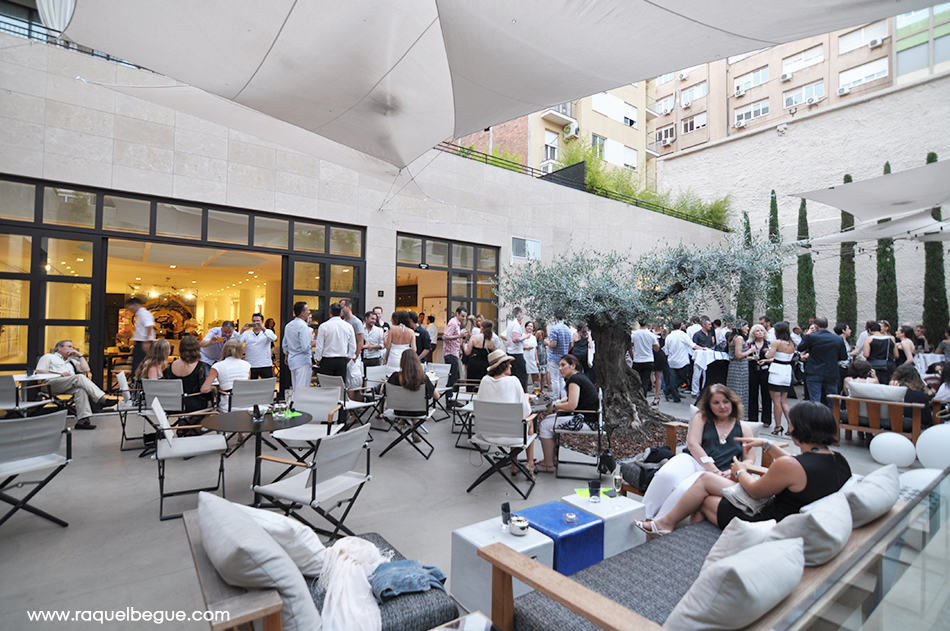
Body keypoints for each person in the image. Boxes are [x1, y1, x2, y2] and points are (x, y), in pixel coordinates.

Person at [635, 402, 852, 535]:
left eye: (791, 422)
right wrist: (767, 445)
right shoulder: (837, 460)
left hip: (764, 520)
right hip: (793, 517)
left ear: (799, 428)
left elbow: (755, 490)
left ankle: (678, 534)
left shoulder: (790, 466)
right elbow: (798, 465)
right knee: (706, 481)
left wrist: (740, 470)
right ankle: (666, 524)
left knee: (703, 499)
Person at [642, 384, 755, 520]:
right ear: (709, 405)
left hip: (718, 472)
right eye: (716, 402)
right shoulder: (701, 417)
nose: (722, 406)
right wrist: (713, 469)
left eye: (726, 401)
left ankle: (658, 523)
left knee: (685, 489)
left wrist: (735, 471)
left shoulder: (744, 428)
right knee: (666, 475)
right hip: (693, 460)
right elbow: (693, 445)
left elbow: (750, 459)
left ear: (733, 402)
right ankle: (643, 515)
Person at [476, 349, 535, 478]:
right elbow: (526, 411)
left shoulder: (485, 380)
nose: (511, 366)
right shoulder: (513, 381)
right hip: (511, 436)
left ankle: (515, 463)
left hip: (486, 434)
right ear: (503, 365)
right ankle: (529, 463)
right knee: (528, 421)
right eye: (509, 363)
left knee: (513, 421)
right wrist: (526, 398)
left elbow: (479, 405)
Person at [536, 354, 599, 474]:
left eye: (563, 365)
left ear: (573, 366)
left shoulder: (575, 380)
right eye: (559, 365)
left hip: (584, 421)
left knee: (544, 424)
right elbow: (572, 398)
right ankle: (551, 458)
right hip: (591, 419)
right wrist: (558, 402)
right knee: (549, 419)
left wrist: (554, 406)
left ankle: (548, 465)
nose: (560, 368)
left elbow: (572, 405)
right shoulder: (579, 377)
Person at [35, 340, 116, 430]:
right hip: (51, 384)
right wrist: (59, 374)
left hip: (68, 384)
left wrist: (80, 356)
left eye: (73, 347)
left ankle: (83, 420)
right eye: (69, 346)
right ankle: (101, 399)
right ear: (60, 348)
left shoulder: (72, 361)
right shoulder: (48, 357)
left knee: (80, 390)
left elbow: (86, 370)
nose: (72, 349)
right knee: (79, 378)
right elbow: (40, 371)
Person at [386, 350, 439, 442]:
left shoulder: (395, 376)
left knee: (406, 403)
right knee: (415, 406)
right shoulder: (422, 378)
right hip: (418, 411)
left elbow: (384, 391)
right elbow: (437, 396)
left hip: (399, 410)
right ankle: (415, 430)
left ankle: (402, 420)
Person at [796, 317, 848, 409]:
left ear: (815, 326)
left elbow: (800, 348)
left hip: (814, 371)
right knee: (832, 398)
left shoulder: (811, 337)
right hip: (831, 371)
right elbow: (844, 356)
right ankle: (833, 419)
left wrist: (807, 334)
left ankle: (816, 420)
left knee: (815, 399)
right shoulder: (837, 339)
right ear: (827, 325)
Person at [164, 335, 213, 412]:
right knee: (210, 403)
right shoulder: (199, 365)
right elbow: (202, 389)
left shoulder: (173, 364)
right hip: (191, 403)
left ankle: (184, 422)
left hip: (174, 403)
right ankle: (194, 423)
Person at [201, 339, 251, 411]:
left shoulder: (217, 366)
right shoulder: (247, 365)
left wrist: (213, 389)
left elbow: (204, 389)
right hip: (246, 403)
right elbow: (246, 384)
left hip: (228, 404)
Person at [766, 322, 796, 435]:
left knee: (776, 402)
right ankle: (791, 425)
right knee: (784, 401)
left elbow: (769, 356)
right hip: (787, 371)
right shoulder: (791, 343)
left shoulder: (777, 342)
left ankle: (778, 426)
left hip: (776, 371)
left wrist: (767, 351)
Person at [314, 302, 356, 379]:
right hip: (342, 360)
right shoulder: (349, 327)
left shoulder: (324, 326)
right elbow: (353, 346)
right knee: (339, 386)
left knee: (326, 386)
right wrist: (349, 358)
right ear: (341, 313)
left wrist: (318, 359)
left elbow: (319, 346)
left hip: (327, 360)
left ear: (330, 312)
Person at [283, 301, 314, 392]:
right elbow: (305, 347)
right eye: (307, 310)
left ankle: (294, 404)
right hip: (302, 360)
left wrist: (287, 354)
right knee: (302, 388)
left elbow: (284, 344)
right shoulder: (303, 326)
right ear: (302, 312)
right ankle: (298, 406)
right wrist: (313, 343)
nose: (309, 312)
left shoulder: (289, 325)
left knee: (295, 387)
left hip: (292, 359)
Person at [890, 364, 933, 429]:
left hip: (894, 422)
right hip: (918, 423)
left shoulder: (894, 391)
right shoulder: (921, 392)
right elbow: (927, 419)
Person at [725, 322, 752, 418]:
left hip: (735, 365)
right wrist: (750, 351)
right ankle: (739, 415)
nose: (748, 328)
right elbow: (738, 355)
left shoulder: (733, 337)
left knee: (735, 390)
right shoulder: (739, 338)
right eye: (747, 326)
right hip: (739, 368)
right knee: (739, 390)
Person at [747, 324, 771, 426]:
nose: (760, 332)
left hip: (765, 371)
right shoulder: (749, 344)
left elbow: (773, 358)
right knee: (752, 395)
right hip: (753, 370)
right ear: (753, 333)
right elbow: (744, 357)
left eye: (761, 330)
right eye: (757, 331)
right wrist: (752, 358)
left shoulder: (769, 344)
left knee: (766, 395)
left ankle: (766, 420)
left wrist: (765, 360)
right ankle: (753, 419)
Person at [240, 313, 278, 379]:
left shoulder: (267, 332)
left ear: (262, 322)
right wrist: (242, 330)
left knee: (267, 386)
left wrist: (262, 329)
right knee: (252, 387)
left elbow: (274, 338)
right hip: (251, 365)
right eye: (254, 321)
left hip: (265, 364)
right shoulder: (247, 334)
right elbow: (237, 342)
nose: (256, 323)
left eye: (258, 321)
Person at [664, 321, 694, 403]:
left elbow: (666, 351)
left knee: (673, 379)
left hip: (672, 361)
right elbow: (692, 345)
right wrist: (702, 348)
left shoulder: (669, 337)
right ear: (680, 326)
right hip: (682, 361)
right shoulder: (683, 335)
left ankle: (673, 393)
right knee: (683, 378)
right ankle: (671, 390)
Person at [500, 307, 529, 391]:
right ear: (519, 314)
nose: (523, 316)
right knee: (522, 376)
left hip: (510, 352)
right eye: (522, 314)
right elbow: (515, 339)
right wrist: (525, 337)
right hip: (517, 353)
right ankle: (522, 395)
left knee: (513, 376)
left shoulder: (510, 324)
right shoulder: (516, 325)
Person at [126, 297, 155, 378]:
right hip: (141, 342)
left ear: (135, 305)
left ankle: (138, 385)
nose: (130, 310)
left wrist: (147, 342)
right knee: (138, 366)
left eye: (130, 308)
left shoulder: (144, 313)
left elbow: (149, 326)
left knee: (139, 366)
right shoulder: (140, 314)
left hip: (143, 343)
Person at [442, 307, 469, 392]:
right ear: (457, 314)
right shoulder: (453, 323)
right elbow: (445, 337)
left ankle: (453, 400)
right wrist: (459, 336)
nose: (464, 318)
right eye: (462, 316)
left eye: (465, 316)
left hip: (454, 353)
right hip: (450, 354)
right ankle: (450, 401)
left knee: (456, 377)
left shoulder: (457, 324)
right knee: (452, 378)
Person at [630, 321, 658, 400]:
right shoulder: (651, 335)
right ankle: (643, 397)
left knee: (635, 380)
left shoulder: (634, 334)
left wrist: (633, 356)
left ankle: (636, 397)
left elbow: (630, 346)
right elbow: (656, 348)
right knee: (645, 380)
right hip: (648, 360)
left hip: (637, 360)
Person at [863, 322, 897, 387]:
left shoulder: (869, 339)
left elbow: (866, 354)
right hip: (888, 365)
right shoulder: (890, 339)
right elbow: (896, 355)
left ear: (869, 330)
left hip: (873, 365)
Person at [547, 317, 572, 399]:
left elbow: (553, 344)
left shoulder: (554, 329)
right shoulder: (568, 329)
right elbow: (571, 344)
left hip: (554, 357)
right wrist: (566, 351)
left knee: (554, 379)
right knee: (562, 379)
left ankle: (556, 398)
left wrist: (547, 342)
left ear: (555, 318)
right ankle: (564, 397)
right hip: (563, 357)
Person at [384, 310, 415, 378]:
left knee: (391, 378)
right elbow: (414, 349)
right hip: (405, 357)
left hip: (393, 357)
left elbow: (387, 346)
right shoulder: (411, 331)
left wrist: (384, 338)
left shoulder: (392, 329)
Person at [834, 323, 853, 395]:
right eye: (848, 329)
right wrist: (852, 353)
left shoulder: (844, 341)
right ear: (843, 330)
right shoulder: (839, 341)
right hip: (841, 367)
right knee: (839, 386)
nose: (850, 331)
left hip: (846, 367)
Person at [522, 321, 540, 392]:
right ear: (525, 327)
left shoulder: (533, 337)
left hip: (532, 358)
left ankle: (536, 390)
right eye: (528, 326)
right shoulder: (522, 336)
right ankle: (525, 391)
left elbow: (535, 349)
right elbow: (520, 347)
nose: (530, 327)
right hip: (525, 357)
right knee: (525, 375)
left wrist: (537, 359)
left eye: (531, 326)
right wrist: (527, 347)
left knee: (536, 375)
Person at [535, 326, 550, 393]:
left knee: (539, 372)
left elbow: (534, 340)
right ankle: (542, 389)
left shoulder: (538, 332)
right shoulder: (544, 332)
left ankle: (538, 389)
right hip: (543, 351)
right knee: (543, 370)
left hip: (539, 351)